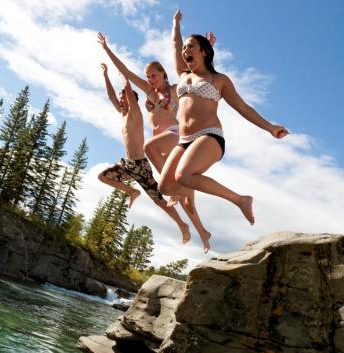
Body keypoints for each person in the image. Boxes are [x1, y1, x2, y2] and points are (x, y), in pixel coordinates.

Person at [159, 9, 289, 225]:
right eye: (185, 48)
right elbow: (174, 44)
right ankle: (184, 190)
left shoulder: (219, 80)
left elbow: (243, 107)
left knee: (184, 176)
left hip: (209, 136)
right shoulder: (183, 75)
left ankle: (240, 200)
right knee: (165, 187)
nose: (185, 50)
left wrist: (270, 127)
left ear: (204, 52)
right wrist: (176, 23)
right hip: (184, 140)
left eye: (190, 46)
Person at [98, 33, 212, 252]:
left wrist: (205, 53)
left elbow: (196, 74)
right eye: (148, 77)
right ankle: (203, 233)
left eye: (154, 75)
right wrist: (106, 49)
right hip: (165, 148)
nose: (150, 79)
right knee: (187, 198)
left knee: (149, 148)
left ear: (163, 74)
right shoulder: (149, 93)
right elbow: (126, 72)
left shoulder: (175, 89)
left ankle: (174, 190)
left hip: (176, 134)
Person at [98, 68, 191, 245]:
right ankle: (132, 191)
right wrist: (105, 76)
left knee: (158, 200)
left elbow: (129, 94)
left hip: (140, 166)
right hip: (127, 165)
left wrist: (124, 77)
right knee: (102, 176)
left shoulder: (135, 113)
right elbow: (111, 96)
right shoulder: (123, 114)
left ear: (131, 99)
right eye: (121, 97)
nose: (120, 99)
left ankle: (182, 225)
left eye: (123, 96)